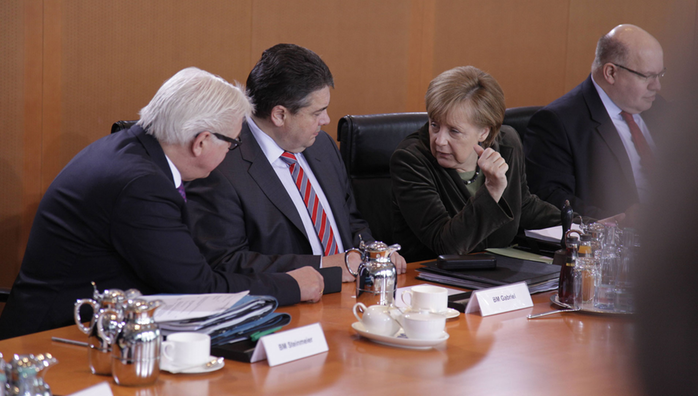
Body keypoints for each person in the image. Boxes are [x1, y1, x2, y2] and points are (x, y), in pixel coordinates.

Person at [0, 67, 324, 341]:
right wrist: (291, 285)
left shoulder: (130, 150)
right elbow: (197, 288)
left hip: (100, 328)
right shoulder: (141, 185)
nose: (232, 153)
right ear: (202, 141)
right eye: (233, 143)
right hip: (54, 341)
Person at [186, 44, 406, 283]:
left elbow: (352, 222)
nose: (326, 120)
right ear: (279, 115)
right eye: (317, 112)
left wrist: (374, 251)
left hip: (355, 295)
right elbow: (225, 261)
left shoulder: (323, 145)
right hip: (290, 306)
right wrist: (324, 266)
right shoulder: (221, 167)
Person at [390, 66, 561, 262]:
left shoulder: (507, 144)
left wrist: (584, 225)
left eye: (454, 131)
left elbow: (523, 205)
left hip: (499, 272)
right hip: (433, 280)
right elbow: (445, 245)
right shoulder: (411, 159)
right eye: (434, 125)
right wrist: (491, 192)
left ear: (484, 132)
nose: (439, 140)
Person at [524, 24, 666, 221]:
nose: (657, 86)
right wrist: (620, 220)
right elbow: (549, 199)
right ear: (611, 73)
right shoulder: (558, 123)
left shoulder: (662, 111)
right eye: (648, 76)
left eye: (660, 74)